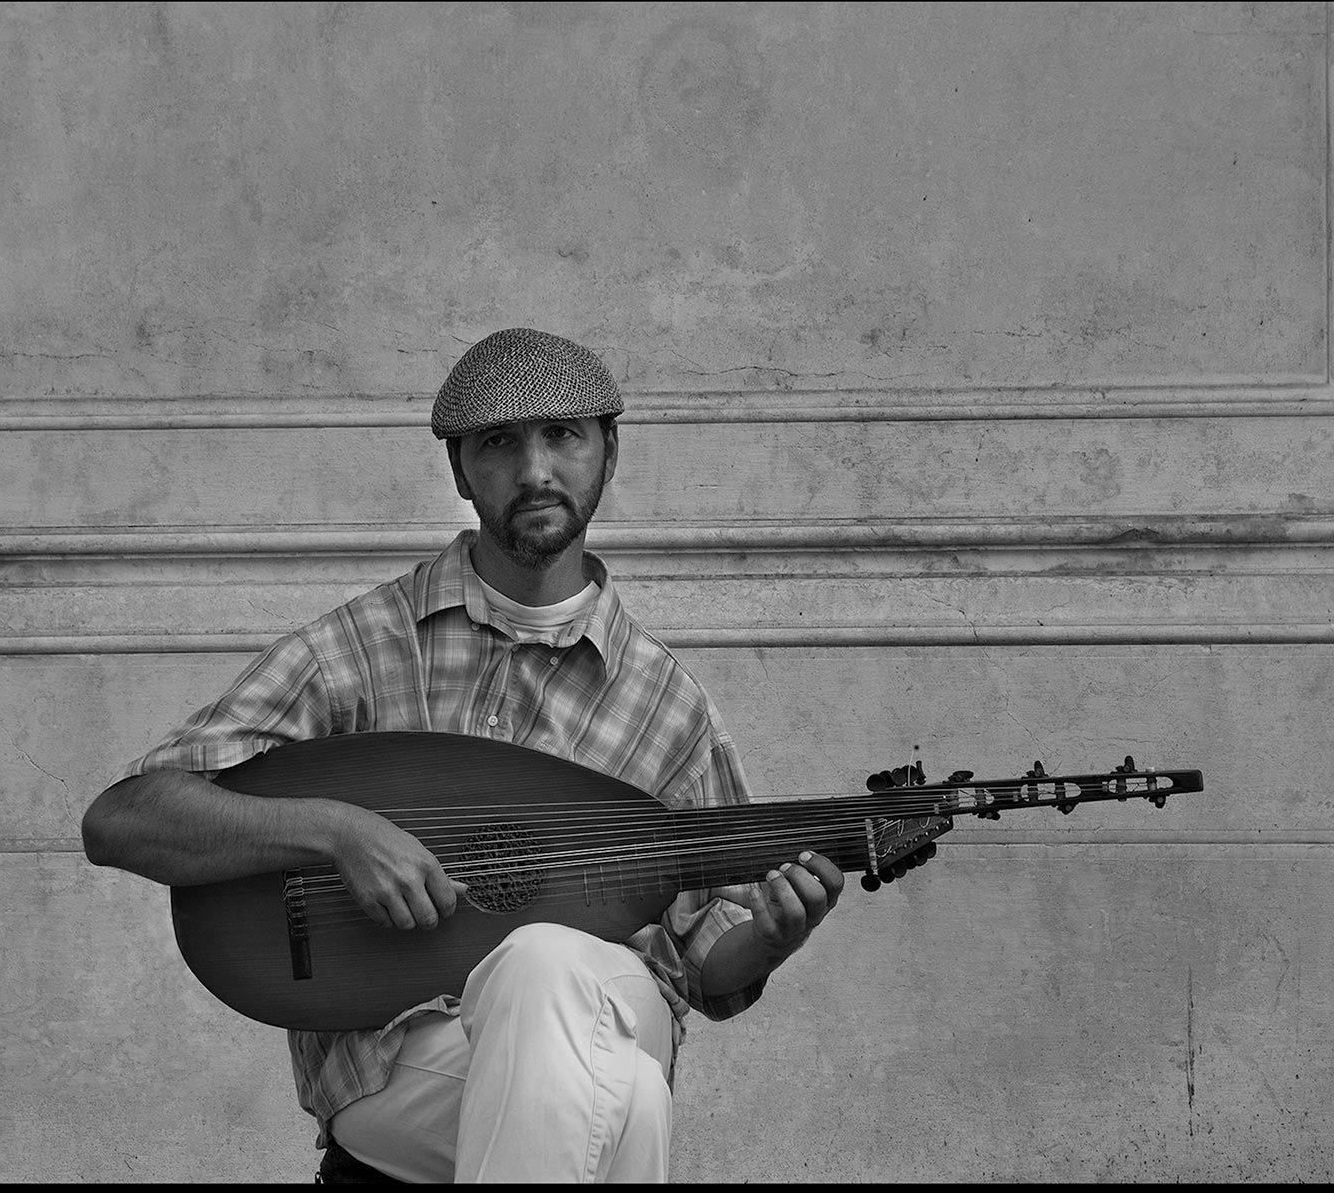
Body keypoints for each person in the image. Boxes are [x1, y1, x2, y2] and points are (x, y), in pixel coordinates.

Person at [81, 327, 848, 1183]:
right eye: (498, 444)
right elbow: (123, 821)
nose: (534, 471)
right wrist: (335, 832)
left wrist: (771, 939)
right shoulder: (361, 648)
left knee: (548, 964)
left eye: (562, 435)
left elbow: (707, 962)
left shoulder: (666, 705)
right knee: (620, 1090)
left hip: (605, 1009)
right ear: (457, 471)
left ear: (608, 452)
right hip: (395, 1056)